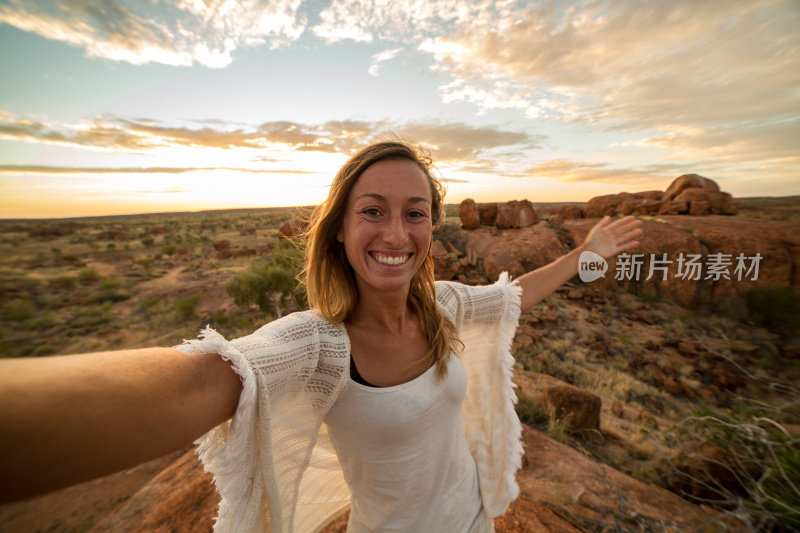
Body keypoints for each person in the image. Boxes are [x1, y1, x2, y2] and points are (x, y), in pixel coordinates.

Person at [0, 139, 642, 532]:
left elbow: (514, 295)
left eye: (414, 214)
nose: (395, 234)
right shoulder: (320, 347)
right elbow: (206, 379)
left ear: (431, 228)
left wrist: (589, 253)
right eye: (372, 212)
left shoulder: (444, 307)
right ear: (339, 229)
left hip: (474, 519)